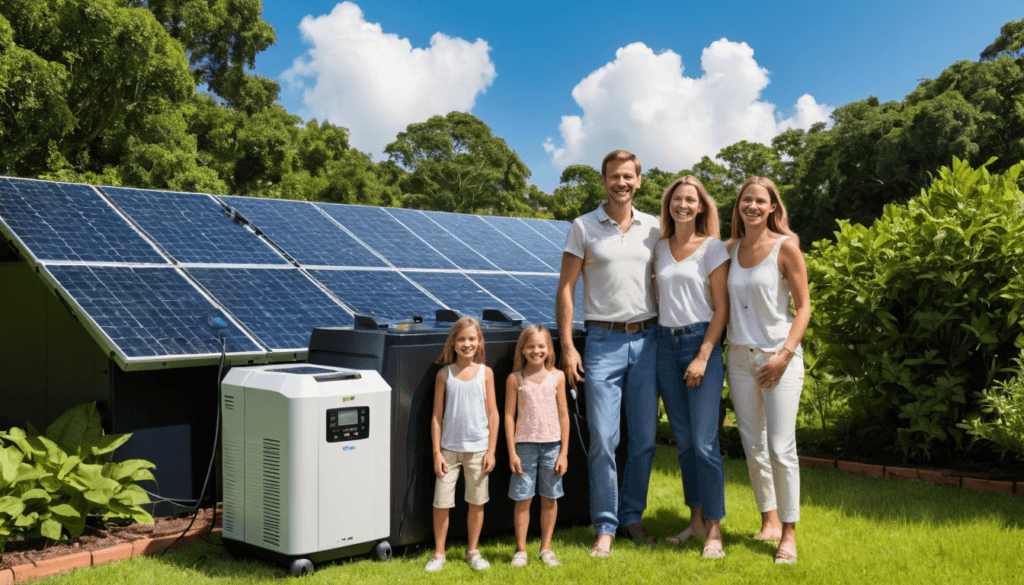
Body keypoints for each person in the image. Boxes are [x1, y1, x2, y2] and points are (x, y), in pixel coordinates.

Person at [556, 149, 661, 557]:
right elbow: (566, 288)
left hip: (649, 341)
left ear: (638, 181)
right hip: (601, 342)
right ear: (604, 181)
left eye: (628, 177)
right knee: (603, 438)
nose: (621, 183)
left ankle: (632, 518)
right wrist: (567, 345)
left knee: (645, 441)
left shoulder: (654, 227)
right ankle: (605, 525)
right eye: (614, 177)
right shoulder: (582, 228)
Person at [724, 177, 810, 565]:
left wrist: (784, 355)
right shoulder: (729, 249)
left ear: (773, 207)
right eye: (747, 200)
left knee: (779, 446)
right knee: (753, 446)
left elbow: (804, 308)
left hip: (779, 358)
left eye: (761, 201)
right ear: (738, 206)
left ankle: (789, 534)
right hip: (739, 359)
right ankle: (769, 520)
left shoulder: (785, 248)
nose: (753, 206)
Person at [653, 176, 730, 559]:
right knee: (684, 444)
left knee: (704, 443)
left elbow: (722, 309)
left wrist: (703, 354)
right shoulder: (660, 248)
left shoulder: (713, 248)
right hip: (665, 346)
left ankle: (715, 528)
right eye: (676, 199)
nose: (682, 205)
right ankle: (695, 521)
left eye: (690, 200)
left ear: (701, 207)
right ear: (668, 205)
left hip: (701, 344)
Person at [425, 316, 500, 572]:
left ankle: (472, 551)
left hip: (478, 450)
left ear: (479, 342)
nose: (467, 344)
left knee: (477, 501)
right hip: (448, 450)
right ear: (453, 343)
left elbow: (493, 414)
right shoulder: (443, 375)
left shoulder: (486, 373)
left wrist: (491, 450)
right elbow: (436, 416)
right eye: (461, 339)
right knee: (441, 502)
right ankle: (439, 553)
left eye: (472, 339)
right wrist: (437, 452)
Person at [504, 324, 570, 567]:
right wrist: (511, 451)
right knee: (523, 498)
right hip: (524, 447)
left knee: (550, 498)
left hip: (552, 446)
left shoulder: (558, 377)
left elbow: (564, 416)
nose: (536, 350)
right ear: (522, 350)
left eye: (541, 346)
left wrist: (564, 452)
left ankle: (546, 548)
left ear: (549, 349)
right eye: (530, 346)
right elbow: (509, 416)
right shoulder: (515, 379)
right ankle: (521, 550)